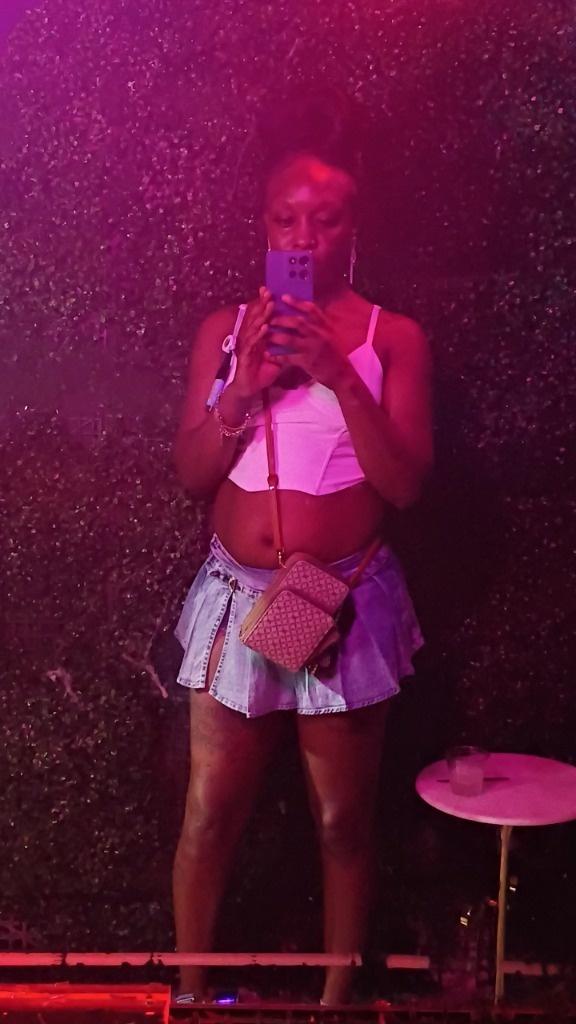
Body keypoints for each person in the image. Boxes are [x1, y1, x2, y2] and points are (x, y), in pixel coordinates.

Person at [171, 88, 433, 1006]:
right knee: (210, 815)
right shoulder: (226, 332)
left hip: (343, 603)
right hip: (236, 599)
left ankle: (333, 1007)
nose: (304, 237)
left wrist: (336, 376)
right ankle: (191, 999)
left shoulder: (393, 339)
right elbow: (192, 473)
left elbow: (404, 485)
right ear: (264, 227)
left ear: (352, 229)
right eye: (286, 220)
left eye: (324, 221)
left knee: (341, 822)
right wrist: (246, 388)